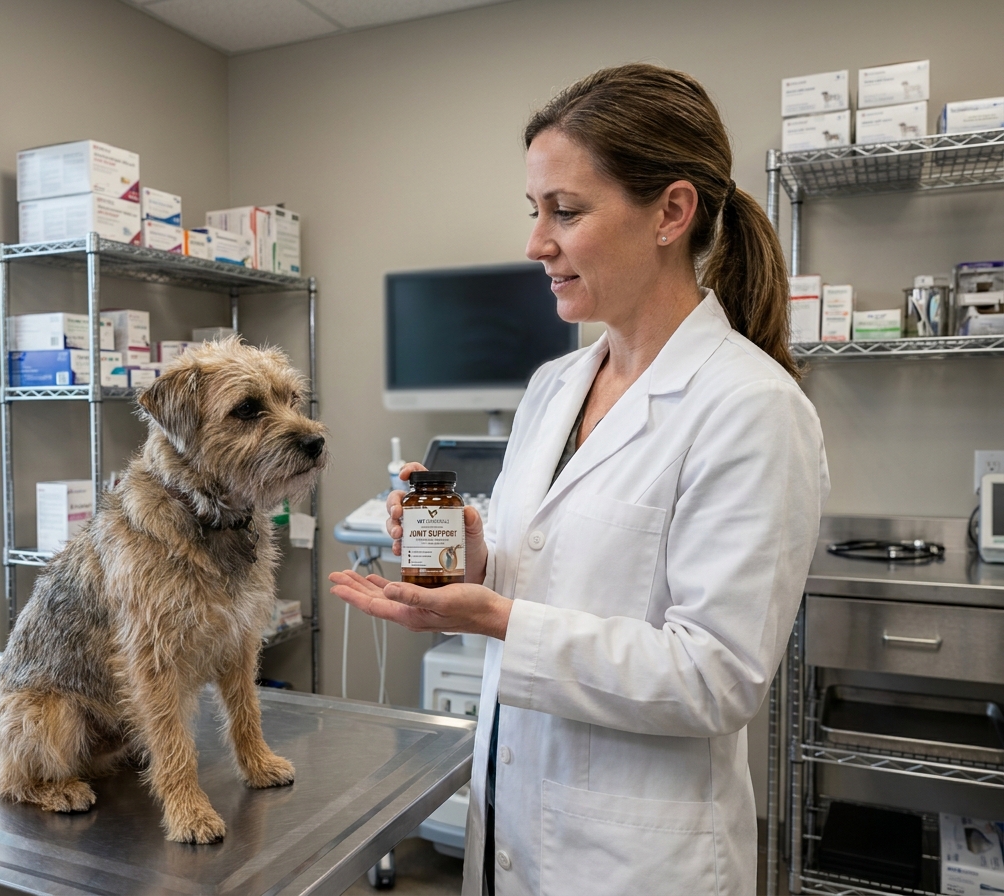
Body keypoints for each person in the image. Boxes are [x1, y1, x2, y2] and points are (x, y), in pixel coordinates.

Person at [329, 63, 828, 896]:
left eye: (566, 211)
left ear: (671, 212)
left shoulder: (752, 407)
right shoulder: (553, 387)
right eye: (535, 211)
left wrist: (498, 619)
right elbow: (548, 574)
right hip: (513, 823)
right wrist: (476, 561)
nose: (536, 243)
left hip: (636, 861)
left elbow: (715, 678)